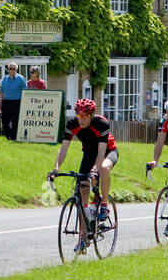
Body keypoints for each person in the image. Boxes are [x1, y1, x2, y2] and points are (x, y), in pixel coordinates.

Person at [48, 97, 119, 248]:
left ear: (92, 115)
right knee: (82, 191)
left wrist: (95, 170)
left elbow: (101, 153)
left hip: (107, 152)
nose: (81, 119)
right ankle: (84, 236)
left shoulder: (102, 123)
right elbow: (64, 149)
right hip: (88, 153)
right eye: (79, 115)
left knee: (103, 168)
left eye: (85, 116)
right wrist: (56, 168)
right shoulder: (72, 124)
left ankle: (104, 204)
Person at [0, 63, 26, 141]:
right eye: (10, 68)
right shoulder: (4, 79)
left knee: (15, 122)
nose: (12, 70)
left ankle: (13, 138)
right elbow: (2, 93)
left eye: (14, 69)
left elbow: (25, 92)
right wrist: (0, 105)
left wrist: (24, 104)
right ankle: (10, 136)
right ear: (8, 69)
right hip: (6, 103)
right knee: (4, 122)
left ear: (16, 70)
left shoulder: (21, 79)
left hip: (17, 103)